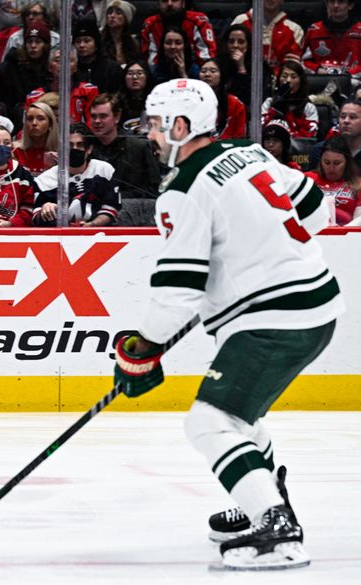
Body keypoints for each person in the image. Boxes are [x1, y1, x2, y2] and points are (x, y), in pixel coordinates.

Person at [115, 77, 343, 571]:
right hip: (316, 304)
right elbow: (319, 211)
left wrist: (142, 348)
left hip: (277, 318)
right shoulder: (250, 153)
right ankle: (261, 496)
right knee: (241, 417)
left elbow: (177, 290)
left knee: (209, 421)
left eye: (155, 124)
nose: (149, 134)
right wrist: (260, 251)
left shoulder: (182, 190)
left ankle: (277, 529)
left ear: (180, 126)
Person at [33, 124, 121, 226]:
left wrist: (92, 225)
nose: (74, 149)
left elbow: (112, 207)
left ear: (89, 149)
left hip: (98, 232)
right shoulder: (43, 181)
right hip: (60, 233)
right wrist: (45, 208)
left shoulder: (104, 170)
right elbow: (35, 218)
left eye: (80, 145)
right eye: (69, 145)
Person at [89, 93, 162, 199]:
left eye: (103, 116)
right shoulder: (87, 148)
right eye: (93, 116)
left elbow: (154, 189)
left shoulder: (139, 147)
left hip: (131, 206)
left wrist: (116, 197)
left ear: (117, 117)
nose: (97, 121)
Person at [0, 19, 53, 115]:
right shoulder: (11, 65)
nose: (33, 46)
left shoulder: (52, 66)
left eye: (38, 42)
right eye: (29, 42)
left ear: (46, 45)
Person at [141, 0, 217, 68]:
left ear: (183, 3)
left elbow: (207, 56)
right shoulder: (150, 24)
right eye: (164, 1)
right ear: (158, 4)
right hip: (161, 72)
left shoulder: (198, 20)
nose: (169, 4)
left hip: (195, 71)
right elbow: (150, 61)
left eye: (175, 0)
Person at [231, 0, 303, 72]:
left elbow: (292, 69)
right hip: (241, 76)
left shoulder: (294, 30)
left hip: (277, 78)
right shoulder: (240, 21)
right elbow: (229, 56)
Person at [305, 136, 361, 225]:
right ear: (320, 161)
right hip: (314, 229)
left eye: (337, 163)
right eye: (326, 162)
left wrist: (342, 229)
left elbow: (359, 219)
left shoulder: (358, 184)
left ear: (347, 163)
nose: (331, 168)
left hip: (347, 231)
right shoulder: (308, 179)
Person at [301, 0, 361, 77]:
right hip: (321, 78)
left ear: (350, 6)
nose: (335, 5)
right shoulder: (314, 30)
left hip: (354, 79)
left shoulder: (359, 30)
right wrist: (317, 69)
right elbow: (303, 61)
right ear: (327, 5)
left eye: (341, 2)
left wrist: (349, 74)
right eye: (332, 2)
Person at [261, 61, 319, 139]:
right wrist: (275, 108)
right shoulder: (269, 103)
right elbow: (260, 129)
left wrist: (285, 136)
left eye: (293, 77)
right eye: (284, 76)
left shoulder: (309, 107)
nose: (288, 80)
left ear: (301, 81)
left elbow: (309, 135)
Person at [73, 17, 124, 94]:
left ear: (96, 44)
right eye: (78, 41)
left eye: (87, 41)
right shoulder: (72, 69)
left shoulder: (112, 69)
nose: (81, 45)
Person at [199, 58, 247, 140]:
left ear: (222, 75)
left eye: (213, 71)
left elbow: (240, 137)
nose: (207, 74)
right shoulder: (191, 101)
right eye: (203, 71)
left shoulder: (235, 104)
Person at [13, 101, 58, 177]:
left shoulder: (60, 152)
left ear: (50, 124)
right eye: (30, 119)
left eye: (40, 118)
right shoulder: (15, 151)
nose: (34, 123)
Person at [119, 59, 154, 134]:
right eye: (130, 73)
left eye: (139, 73)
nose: (134, 77)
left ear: (147, 76)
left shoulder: (156, 101)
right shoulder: (117, 103)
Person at [101, 0, 141, 66]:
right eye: (110, 12)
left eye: (118, 13)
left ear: (126, 18)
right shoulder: (99, 39)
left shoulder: (134, 43)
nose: (112, 16)